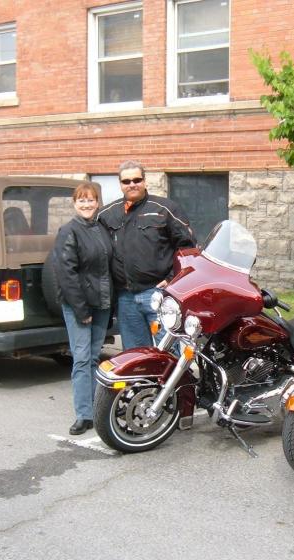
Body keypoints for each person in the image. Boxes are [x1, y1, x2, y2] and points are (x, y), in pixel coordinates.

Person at [98, 160, 195, 349]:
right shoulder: (107, 214)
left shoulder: (165, 209)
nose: (132, 184)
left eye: (137, 179)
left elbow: (187, 248)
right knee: (136, 355)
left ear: (145, 181)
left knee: (167, 353)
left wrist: (172, 278)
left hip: (157, 294)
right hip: (126, 298)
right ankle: (141, 381)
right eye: (126, 181)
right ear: (120, 184)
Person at [52, 182, 114, 435]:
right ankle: (83, 415)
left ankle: (93, 410)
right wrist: (81, 309)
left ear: (97, 202)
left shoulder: (101, 229)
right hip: (81, 306)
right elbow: (66, 274)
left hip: (102, 304)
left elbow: (107, 269)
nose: (87, 204)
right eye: (82, 200)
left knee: (93, 358)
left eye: (91, 200)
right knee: (81, 359)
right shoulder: (69, 231)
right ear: (74, 203)